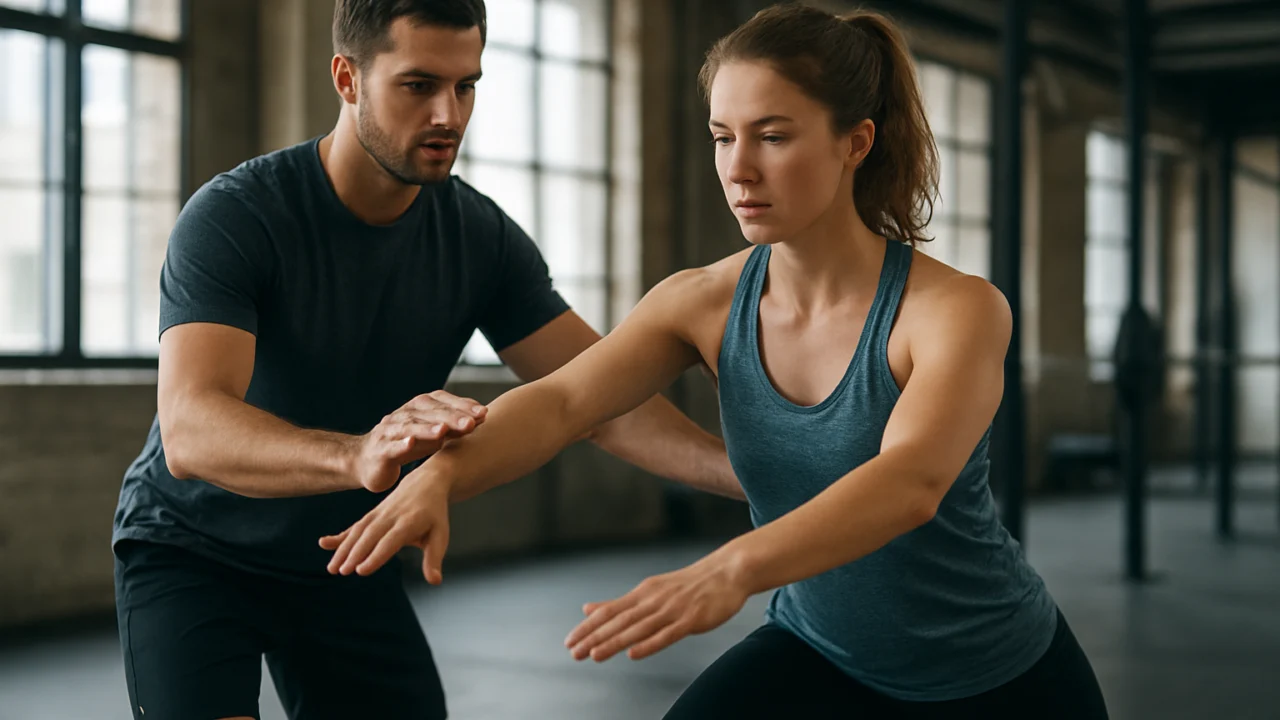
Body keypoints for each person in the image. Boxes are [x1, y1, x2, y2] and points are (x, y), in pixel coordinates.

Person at [320, 4, 1113, 719]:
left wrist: (734, 568)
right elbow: (563, 403)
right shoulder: (698, 302)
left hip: (997, 678)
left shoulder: (954, 311)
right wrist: (444, 475)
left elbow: (911, 482)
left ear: (855, 143)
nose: (739, 168)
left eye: (773, 135)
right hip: (822, 652)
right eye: (723, 136)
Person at [109, 1, 742, 719]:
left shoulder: (481, 239)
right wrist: (356, 455)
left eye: (465, 86)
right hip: (195, 551)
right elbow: (191, 429)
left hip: (346, 552)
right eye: (418, 85)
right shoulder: (237, 216)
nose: (449, 114)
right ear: (347, 79)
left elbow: (599, 403)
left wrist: (753, 478)